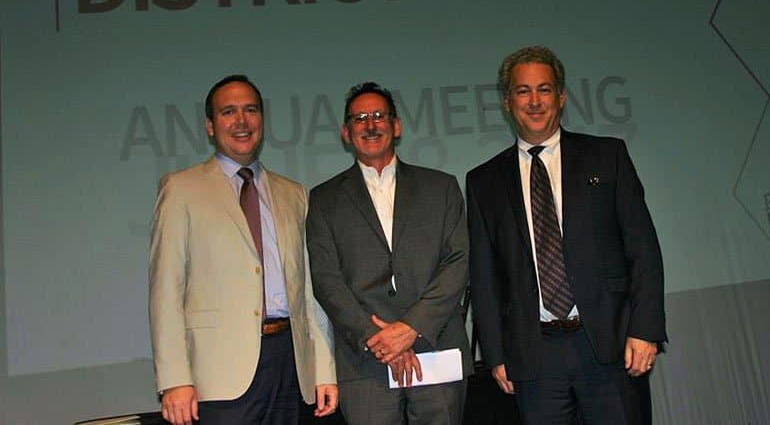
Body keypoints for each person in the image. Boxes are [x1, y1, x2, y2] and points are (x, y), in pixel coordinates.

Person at [467, 46, 666, 424]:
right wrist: (495, 355)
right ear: (507, 102)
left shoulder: (607, 157)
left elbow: (643, 250)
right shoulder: (483, 182)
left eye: (544, 89)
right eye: (523, 91)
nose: (535, 101)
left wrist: (645, 329)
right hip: (535, 356)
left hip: (610, 344)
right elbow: (484, 277)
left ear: (561, 96)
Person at [148, 75, 337, 425]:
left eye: (250, 110)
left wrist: (324, 369)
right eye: (228, 112)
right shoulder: (180, 189)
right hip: (218, 374)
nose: (241, 121)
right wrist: (174, 379)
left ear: (262, 121)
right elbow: (166, 291)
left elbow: (310, 291)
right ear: (210, 125)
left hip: (292, 366)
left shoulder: (293, 193)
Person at [306, 82, 472, 424]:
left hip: (435, 347)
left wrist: (410, 328)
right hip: (366, 360)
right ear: (346, 132)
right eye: (360, 118)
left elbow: (457, 263)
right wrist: (378, 340)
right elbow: (326, 281)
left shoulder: (441, 188)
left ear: (396, 126)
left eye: (379, 116)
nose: (371, 125)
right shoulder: (324, 200)